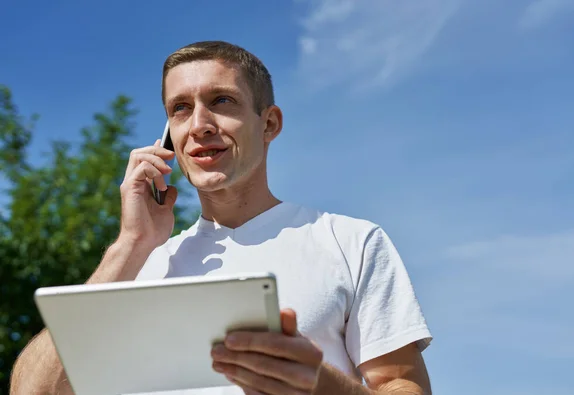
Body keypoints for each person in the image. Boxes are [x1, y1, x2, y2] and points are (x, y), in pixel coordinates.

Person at [10, 41, 433, 395]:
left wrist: (324, 388)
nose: (199, 125)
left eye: (221, 101)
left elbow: (402, 384)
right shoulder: (142, 265)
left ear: (269, 124)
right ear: (168, 140)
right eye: (180, 108)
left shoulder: (350, 241)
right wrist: (131, 244)